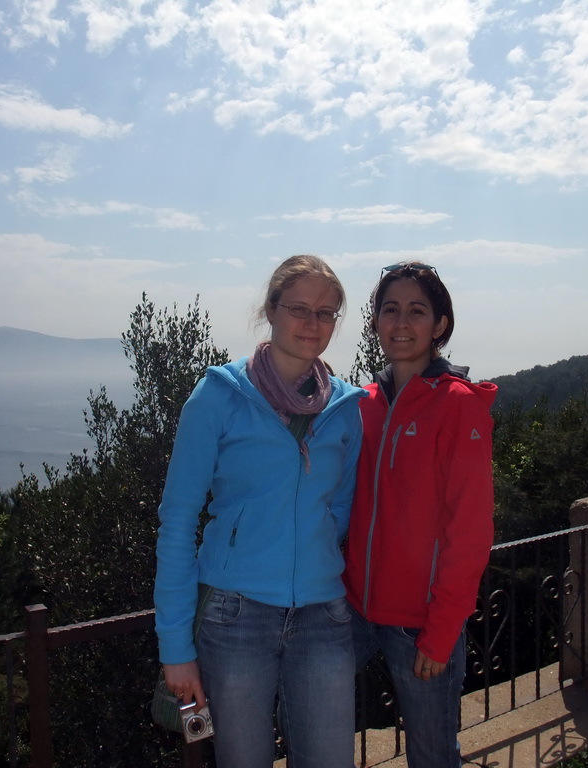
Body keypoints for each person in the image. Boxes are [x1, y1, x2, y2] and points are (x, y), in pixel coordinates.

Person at [154, 255, 366, 768]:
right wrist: (176, 647)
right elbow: (178, 523)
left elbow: (339, 508)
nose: (312, 324)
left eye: (326, 313)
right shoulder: (219, 396)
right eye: (299, 308)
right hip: (235, 617)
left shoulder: (344, 408)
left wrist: (309, 557)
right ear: (270, 310)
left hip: (323, 616)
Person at [343, 261, 496, 768]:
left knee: (432, 756)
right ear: (376, 322)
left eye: (416, 310)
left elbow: (470, 531)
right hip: (353, 612)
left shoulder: (458, 405)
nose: (401, 323)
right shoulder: (362, 403)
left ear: (440, 325)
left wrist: (442, 629)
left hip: (420, 625)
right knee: (305, 721)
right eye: (390, 310)